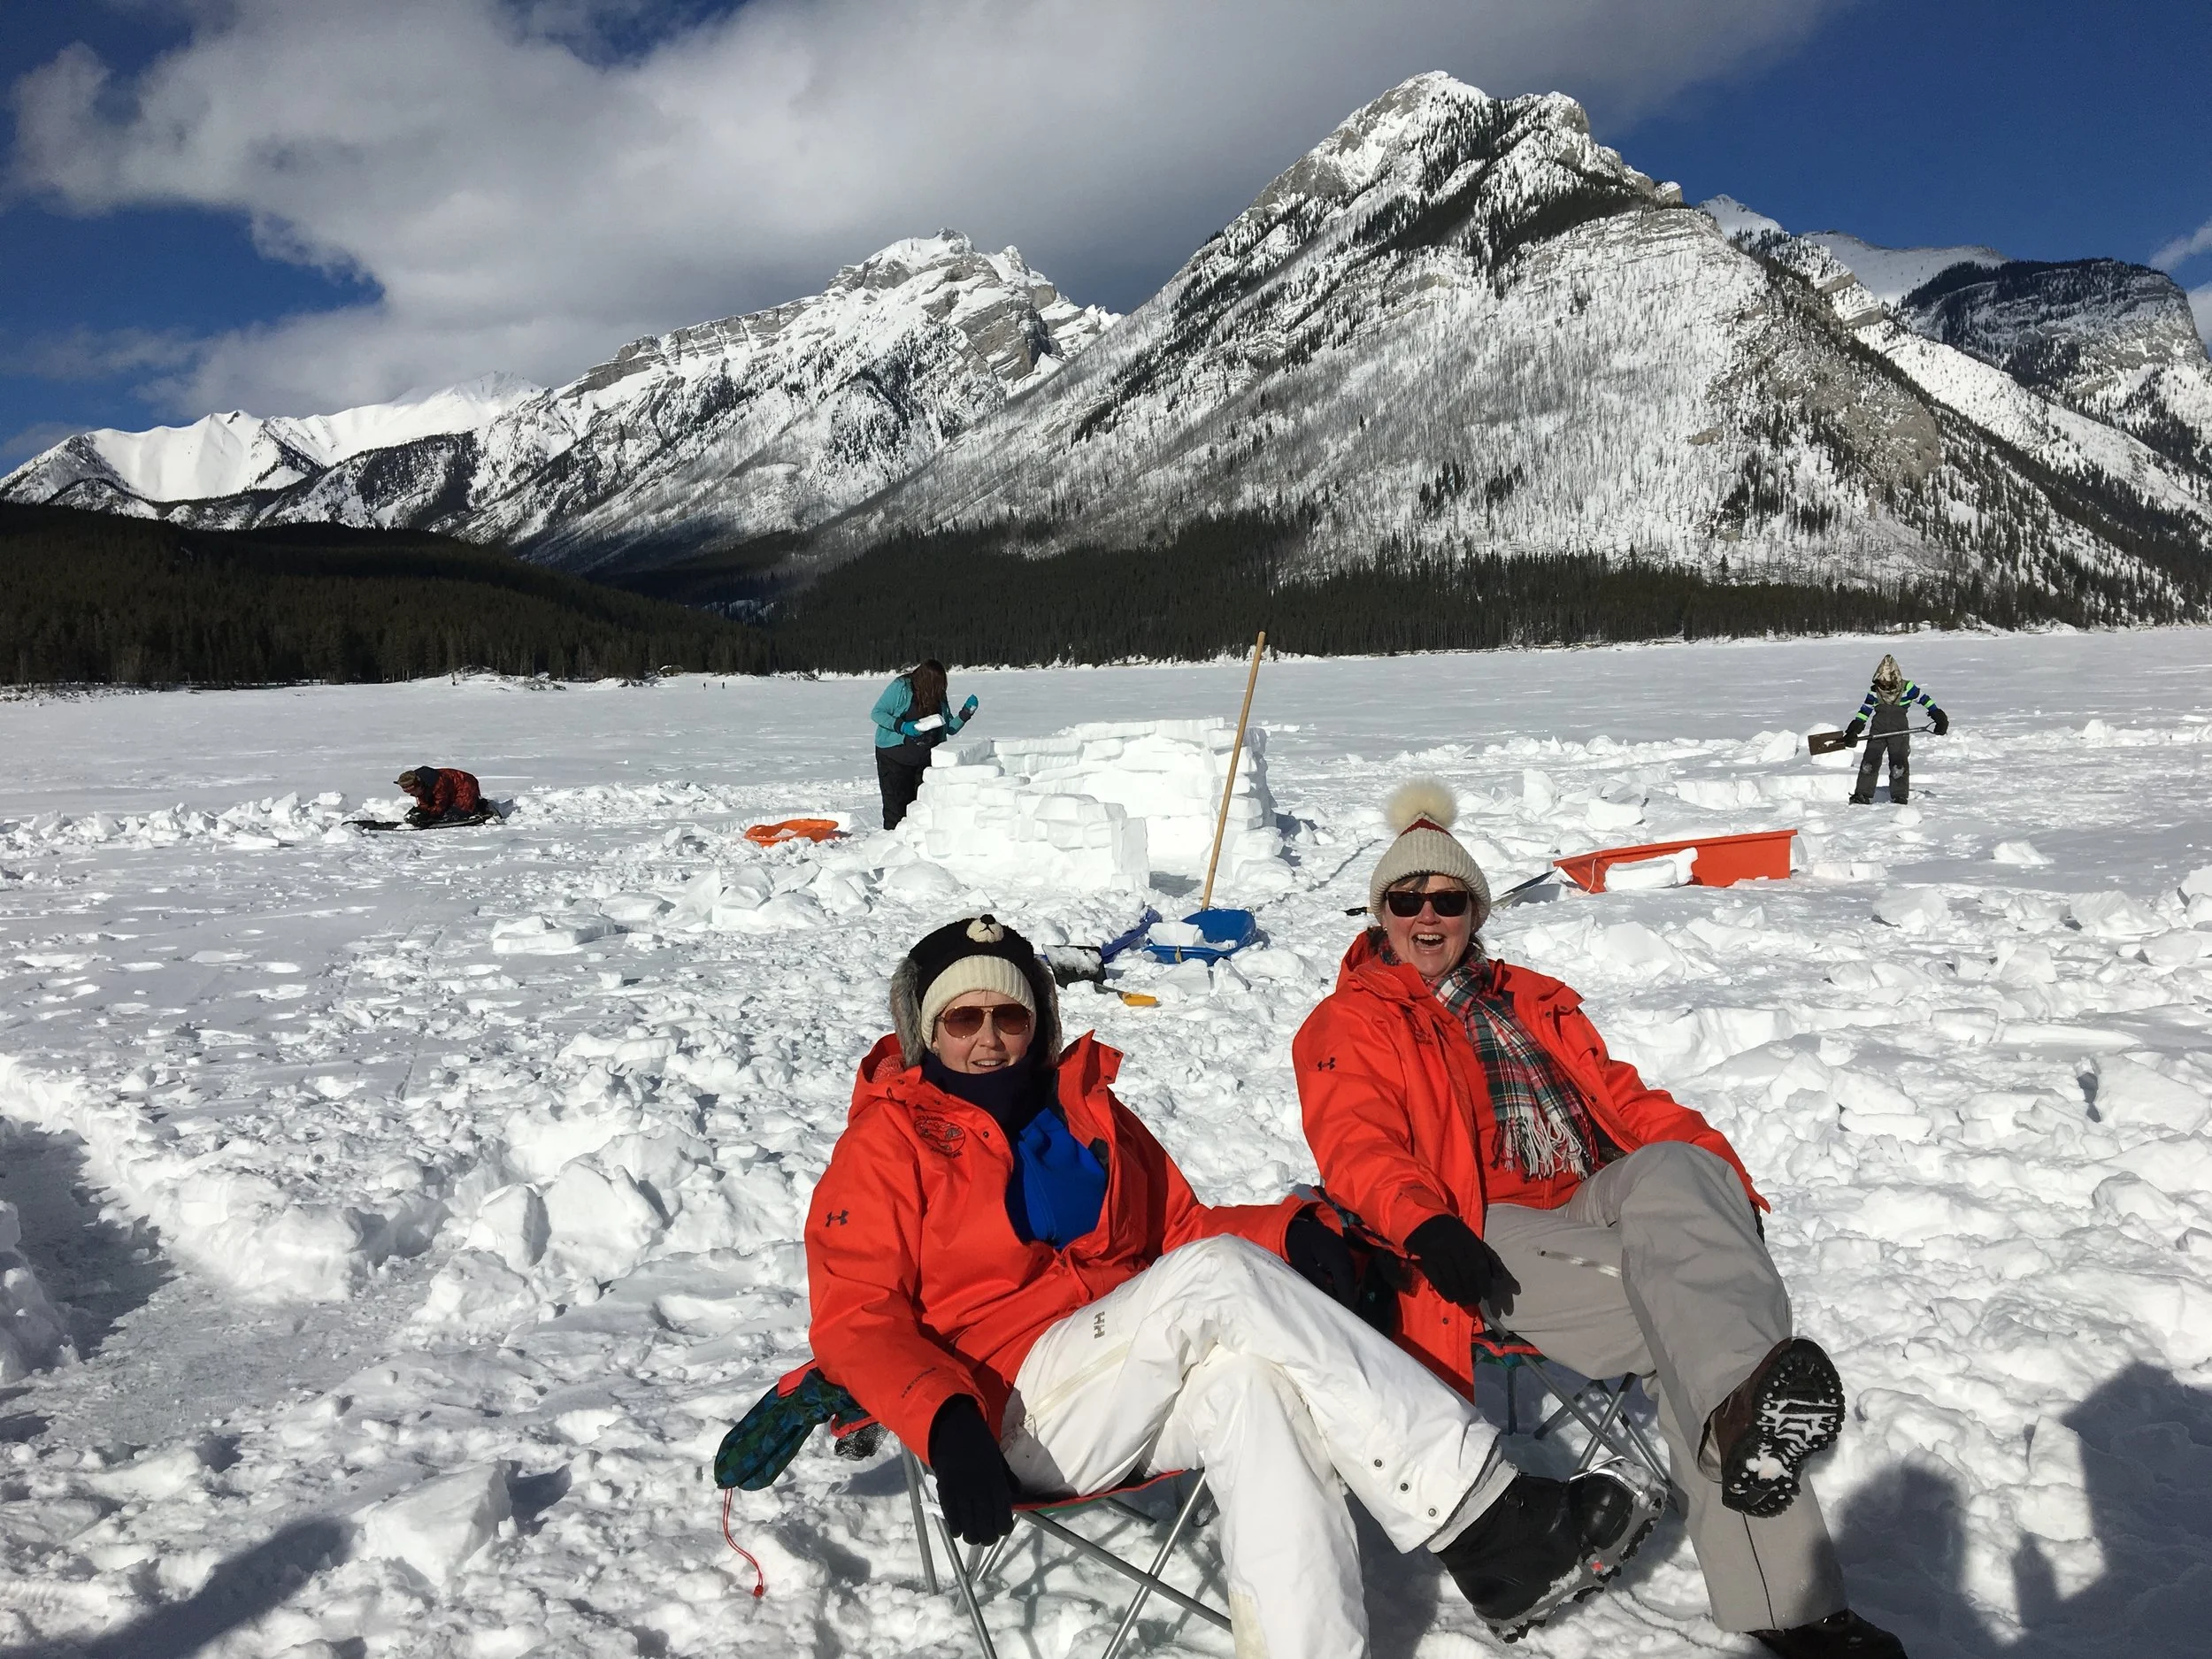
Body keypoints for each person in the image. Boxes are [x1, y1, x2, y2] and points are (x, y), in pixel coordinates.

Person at [807, 914, 1664, 1657]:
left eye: (1009, 1015)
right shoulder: (886, 1146)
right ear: (927, 1029)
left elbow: (1177, 1231)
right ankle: (1486, 1516)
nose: (989, 1038)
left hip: (1127, 1378)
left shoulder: (1085, 1110)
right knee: (1214, 1281)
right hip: (1006, 1413)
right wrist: (946, 1423)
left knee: (1254, 1391)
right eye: (964, 1018)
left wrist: (1287, 1231)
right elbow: (856, 1319)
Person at [1293, 780, 1907, 1659]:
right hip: (1469, 1227)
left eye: (1449, 899)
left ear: (1475, 910)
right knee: (1691, 1313)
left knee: (1684, 1173)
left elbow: (1623, 1099)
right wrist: (1426, 1226)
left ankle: (1741, 1415)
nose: (1428, 917)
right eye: (1406, 900)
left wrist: (1725, 1189)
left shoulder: (1528, 999)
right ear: (1380, 912)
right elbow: (1356, 1145)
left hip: (1589, 1192)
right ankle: (1794, 1602)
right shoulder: (1351, 1020)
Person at [870, 659, 979, 829]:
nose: (941, 689)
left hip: (924, 763)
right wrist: (903, 726)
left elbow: (949, 727)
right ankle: (892, 846)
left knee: (922, 809)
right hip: (894, 759)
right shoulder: (902, 687)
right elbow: (877, 713)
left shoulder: (938, 695)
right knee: (896, 810)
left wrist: (966, 713)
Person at [1844, 654, 1947, 805]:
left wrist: (1938, 716)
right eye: (1882, 684)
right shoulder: (1874, 691)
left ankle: (1899, 796)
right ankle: (1862, 794)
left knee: (1899, 765)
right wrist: (1854, 730)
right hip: (1877, 731)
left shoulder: (1908, 687)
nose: (1885, 687)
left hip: (1899, 731)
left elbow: (1925, 700)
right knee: (1869, 763)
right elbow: (1865, 711)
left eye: (1889, 685)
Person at [395, 764, 486, 828]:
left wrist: (428, 815)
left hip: (465, 784)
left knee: (456, 814)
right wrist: (421, 811)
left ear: (419, 785)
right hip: (450, 788)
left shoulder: (438, 784)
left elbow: (441, 804)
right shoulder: (423, 785)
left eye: (414, 791)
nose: (413, 794)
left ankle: (478, 807)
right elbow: (425, 802)